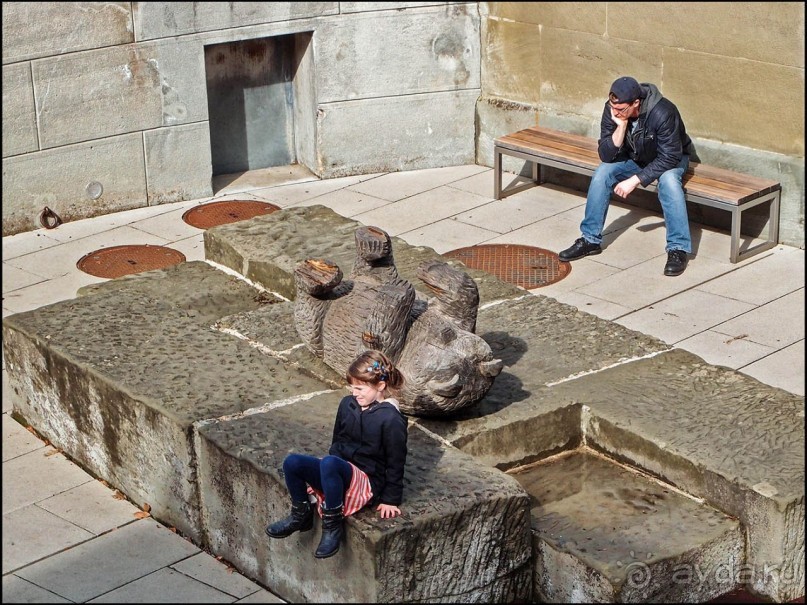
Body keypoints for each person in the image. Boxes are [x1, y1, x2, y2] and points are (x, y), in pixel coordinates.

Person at [265, 350, 408, 559]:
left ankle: (332, 525)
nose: (354, 392)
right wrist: (326, 470)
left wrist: (391, 498)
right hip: (337, 470)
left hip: (366, 480)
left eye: (360, 388)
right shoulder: (347, 404)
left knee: (331, 463)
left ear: (380, 386)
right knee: (293, 462)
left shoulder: (391, 419)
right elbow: (337, 441)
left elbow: (396, 460)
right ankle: (300, 514)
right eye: (352, 387)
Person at [559, 76, 698, 276]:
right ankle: (590, 239)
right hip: (637, 158)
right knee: (603, 172)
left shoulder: (663, 112)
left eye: (621, 110)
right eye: (613, 108)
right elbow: (606, 155)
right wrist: (621, 126)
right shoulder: (614, 109)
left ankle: (678, 248)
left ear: (636, 103)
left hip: (670, 159)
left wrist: (635, 180)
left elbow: (670, 156)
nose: (615, 113)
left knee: (669, 182)